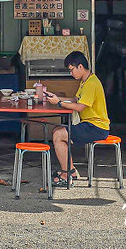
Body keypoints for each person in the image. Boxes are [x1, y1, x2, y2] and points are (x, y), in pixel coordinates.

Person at [43, 51, 110, 186]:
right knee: (58, 130)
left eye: (71, 70)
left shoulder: (91, 83)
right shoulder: (85, 81)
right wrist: (56, 98)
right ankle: (70, 171)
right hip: (89, 125)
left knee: (58, 134)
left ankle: (66, 174)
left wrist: (59, 103)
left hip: (96, 127)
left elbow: (79, 107)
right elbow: (74, 99)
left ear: (80, 66)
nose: (71, 73)